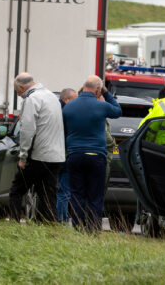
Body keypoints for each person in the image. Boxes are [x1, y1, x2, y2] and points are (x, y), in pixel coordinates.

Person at [63, 74, 121, 231]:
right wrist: (107, 93)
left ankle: (78, 228)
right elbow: (117, 111)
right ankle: (93, 229)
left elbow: (65, 130)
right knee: (95, 195)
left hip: (74, 155)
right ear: (97, 90)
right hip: (96, 156)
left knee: (76, 194)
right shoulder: (101, 106)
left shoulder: (69, 106)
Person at [9, 72, 65, 223]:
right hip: (56, 156)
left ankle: (13, 223)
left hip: (39, 155)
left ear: (21, 87)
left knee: (16, 190)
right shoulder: (52, 97)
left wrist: (23, 156)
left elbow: (27, 130)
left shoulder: (32, 99)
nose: (19, 95)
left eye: (17, 91)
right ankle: (48, 225)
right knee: (47, 194)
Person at [55, 87, 78, 224]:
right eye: (74, 100)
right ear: (66, 99)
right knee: (64, 192)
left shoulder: (57, 111)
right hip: (65, 156)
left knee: (59, 190)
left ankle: (59, 219)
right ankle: (61, 220)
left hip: (56, 155)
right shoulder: (66, 113)